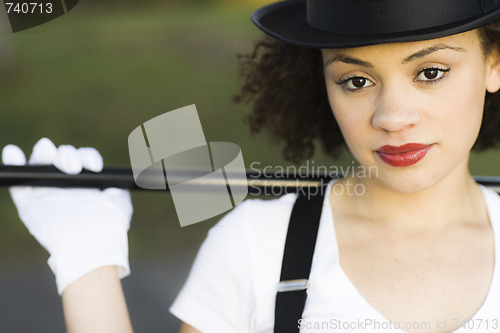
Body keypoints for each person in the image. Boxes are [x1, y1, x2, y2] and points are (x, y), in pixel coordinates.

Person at [4, 0, 500, 332]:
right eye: (355, 81)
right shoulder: (258, 244)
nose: (392, 117)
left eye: (430, 73)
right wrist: (86, 266)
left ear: (493, 64)